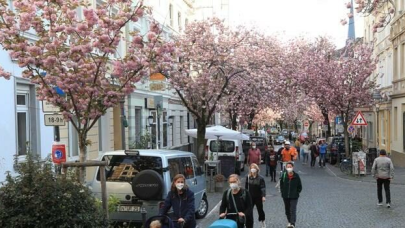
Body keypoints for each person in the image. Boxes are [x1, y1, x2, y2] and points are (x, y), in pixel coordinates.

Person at [280, 162, 302, 228]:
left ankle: (292, 223)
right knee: (287, 210)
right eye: (288, 167)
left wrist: (296, 192)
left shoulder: (296, 176)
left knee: (293, 209)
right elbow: (281, 185)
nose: (289, 168)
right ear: (286, 168)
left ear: (293, 167)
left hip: (294, 196)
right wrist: (283, 192)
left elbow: (299, 186)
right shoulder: (284, 175)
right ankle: (289, 221)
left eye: (290, 167)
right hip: (285, 195)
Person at [245, 163, 266, 228]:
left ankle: (262, 221)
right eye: (251, 168)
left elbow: (263, 188)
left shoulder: (261, 178)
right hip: (250, 196)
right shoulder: (248, 177)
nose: (253, 169)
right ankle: (249, 223)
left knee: (260, 210)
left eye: (254, 168)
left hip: (258, 196)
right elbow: (246, 187)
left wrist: (263, 196)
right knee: (248, 211)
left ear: (257, 169)